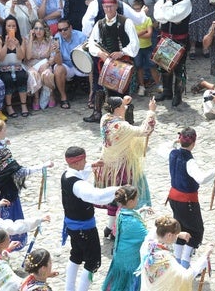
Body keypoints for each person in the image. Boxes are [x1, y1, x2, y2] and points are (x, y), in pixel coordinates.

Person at [0, 119, 54, 248]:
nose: (6, 132)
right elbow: (20, 172)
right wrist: (43, 166)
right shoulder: (2, 152)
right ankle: (4, 248)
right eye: (4, 130)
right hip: (4, 193)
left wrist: (4, 142)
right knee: (5, 225)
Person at [167, 127, 215, 268]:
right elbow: (201, 179)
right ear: (193, 143)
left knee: (180, 227)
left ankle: (177, 260)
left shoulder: (172, 153)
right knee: (195, 231)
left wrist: (175, 142)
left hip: (173, 198)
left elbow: (165, 147)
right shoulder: (190, 162)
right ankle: (185, 263)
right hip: (187, 201)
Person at [95, 96, 156, 238]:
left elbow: (119, 115)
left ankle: (109, 227)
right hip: (123, 168)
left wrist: (124, 102)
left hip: (108, 166)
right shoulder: (123, 127)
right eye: (123, 106)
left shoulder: (105, 119)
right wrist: (151, 112)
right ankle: (117, 231)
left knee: (112, 199)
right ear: (117, 108)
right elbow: (145, 130)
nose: (126, 107)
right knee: (123, 199)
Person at [61, 146, 118, 291]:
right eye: (84, 159)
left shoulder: (67, 174)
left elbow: (82, 172)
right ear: (78, 161)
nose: (86, 161)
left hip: (72, 225)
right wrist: (118, 189)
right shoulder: (78, 185)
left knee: (76, 256)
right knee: (93, 262)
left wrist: (92, 165)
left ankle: (69, 288)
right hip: (84, 228)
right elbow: (96, 196)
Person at [84, 0, 139, 122]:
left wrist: (122, 52)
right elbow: (92, 42)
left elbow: (135, 44)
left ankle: (126, 118)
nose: (108, 9)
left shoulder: (126, 22)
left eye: (111, 6)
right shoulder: (100, 24)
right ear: (102, 7)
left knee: (122, 91)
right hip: (105, 62)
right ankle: (99, 114)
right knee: (100, 86)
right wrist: (100, 54)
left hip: (123, 63)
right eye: (106, 7)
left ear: (116, 6)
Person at [138, 215, 213, 291]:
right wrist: (204, 257)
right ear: (169, 235)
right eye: (175, 235)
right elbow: (186, 276)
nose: (176, 238)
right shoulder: (165, 259)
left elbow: (156, 230)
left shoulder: (148, 244)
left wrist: (179, 234)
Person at [153, 0, 192, 106]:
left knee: (178, 68)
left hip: (179, 40)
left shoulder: (186, 1)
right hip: (165, 37)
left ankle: (178, 95)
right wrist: (168, 13)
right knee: (164, 66)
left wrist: (168, 4)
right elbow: (158, 15)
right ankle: (167, 91)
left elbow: (171, 16)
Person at [101, 185, 149, 291]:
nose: (138, 200)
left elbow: (132, 215)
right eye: (136, 198)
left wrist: (141, 210)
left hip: (119, 256)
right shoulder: (132, 222)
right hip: (130, 261)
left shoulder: (121, 212)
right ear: (131, 201)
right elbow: (148, 238)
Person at [0, 16, 29, 117]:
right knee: (7, 78)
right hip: (3, 68)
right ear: (5, 27)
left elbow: (21, 57)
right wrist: (6, 44)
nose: (11, 28)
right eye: (9, 26)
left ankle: (24, 105)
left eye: (13, 26)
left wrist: (18, 45)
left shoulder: (21, 38)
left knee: (22, 76)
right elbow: (0, 57)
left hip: (17, 66)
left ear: (17, 27)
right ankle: (9, 106)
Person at [53, 18, 87, 107]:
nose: (63, 32)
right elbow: (59, 62)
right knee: (58, 68)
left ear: (70, 28)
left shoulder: (81, 36)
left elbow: (88, 56)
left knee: (92, 65)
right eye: (60, 30)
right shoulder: (57, 38)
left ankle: (92, 96)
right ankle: (63, 98)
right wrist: (57, 51)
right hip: (67, 65)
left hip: (80, 64)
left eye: (65, 29)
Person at [24, 19, 58, 109]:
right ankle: (36, 98)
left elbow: (53, 55)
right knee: (33, 74)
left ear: (45, 30)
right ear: (32, 30)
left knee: (47, 74)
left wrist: (48, 64)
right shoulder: (27, 39)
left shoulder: (50, 39)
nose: (38, 31)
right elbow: (27, 57)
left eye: (41, 29)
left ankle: (51, 94)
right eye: (36, 28)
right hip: (31, 64)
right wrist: (31, 38)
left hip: (45, 63)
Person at [132, 0, 160, 96]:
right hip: (137, 48)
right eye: (134, 9)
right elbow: (142, 33)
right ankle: (141, 86)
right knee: (139, 67)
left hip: (147, 47)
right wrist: (144, 31)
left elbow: (149, 34)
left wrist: (138, 34)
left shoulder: (147, 19)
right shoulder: (131, 20)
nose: (136, 11)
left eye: (138, 9)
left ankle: (159, 85)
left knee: (152, 66)